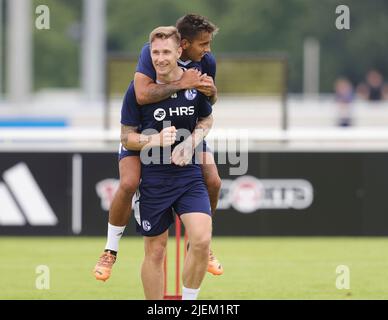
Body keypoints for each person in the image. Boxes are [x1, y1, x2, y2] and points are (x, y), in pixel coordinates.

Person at [93, 14, 223, 282]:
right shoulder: (150, 53)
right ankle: (110, 250)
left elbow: (208, 105)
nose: (207, 49)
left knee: (213, 178)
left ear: (178, 50)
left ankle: (202, 246)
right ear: (185, 44)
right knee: (129, 183)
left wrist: (210, 92)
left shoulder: (206, 61)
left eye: (208, 44)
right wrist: (181, 84)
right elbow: (142, 95)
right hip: (143, 133)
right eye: (203, 44)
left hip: (185, 132)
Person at [122, 26, 213, 299]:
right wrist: (155, 141)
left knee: (201, 239)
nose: (160, 58)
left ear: (179, 52)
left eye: (166, 52)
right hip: (153, 180)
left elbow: (207, 120)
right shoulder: (137, 92)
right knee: (156, 251)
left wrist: (190, 142)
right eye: (155, 53)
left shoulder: (194, 84)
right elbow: (126, 139)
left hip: (188, 177)